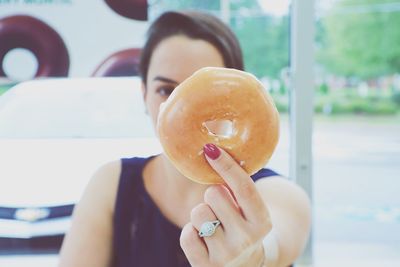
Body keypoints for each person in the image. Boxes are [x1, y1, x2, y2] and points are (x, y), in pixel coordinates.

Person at [58, 11, 311, 267]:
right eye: (166, 90)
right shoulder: (111, 183)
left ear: (238, 93)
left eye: (207, 93)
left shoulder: (280, 194)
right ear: (144, 94)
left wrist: (255, 257)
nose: (183, 110)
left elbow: (275, 241)